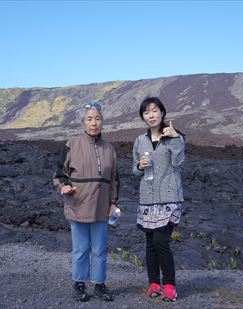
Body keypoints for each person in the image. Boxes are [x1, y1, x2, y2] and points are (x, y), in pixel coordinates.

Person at [53, 102, 119, 302]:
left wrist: (113, 203)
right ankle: (79, 283)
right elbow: (59, 173)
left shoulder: (110, 149)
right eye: (89, 119)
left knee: (99, 249)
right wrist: (63, 186)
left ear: (102, 121)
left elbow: (114, 180)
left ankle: (99, 285)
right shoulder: (71, 144)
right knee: (81, 249)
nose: (94, 123)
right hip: (78, 205)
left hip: (101, 206)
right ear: (83, 122)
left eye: (97, 118)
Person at [132, 97, 185, 302]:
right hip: (147, 198)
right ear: (143, 117)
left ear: (162, 112)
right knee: (150, 243)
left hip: (169, 197)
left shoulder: (174, 136)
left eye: (154, 111)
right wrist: (139, 167)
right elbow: (134, 170)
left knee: (161, 241)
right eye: (146, 112)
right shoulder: (140, 140)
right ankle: (153, 283)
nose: (151, 115)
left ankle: (170, 286)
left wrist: (175, 139)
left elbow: (178, 161)